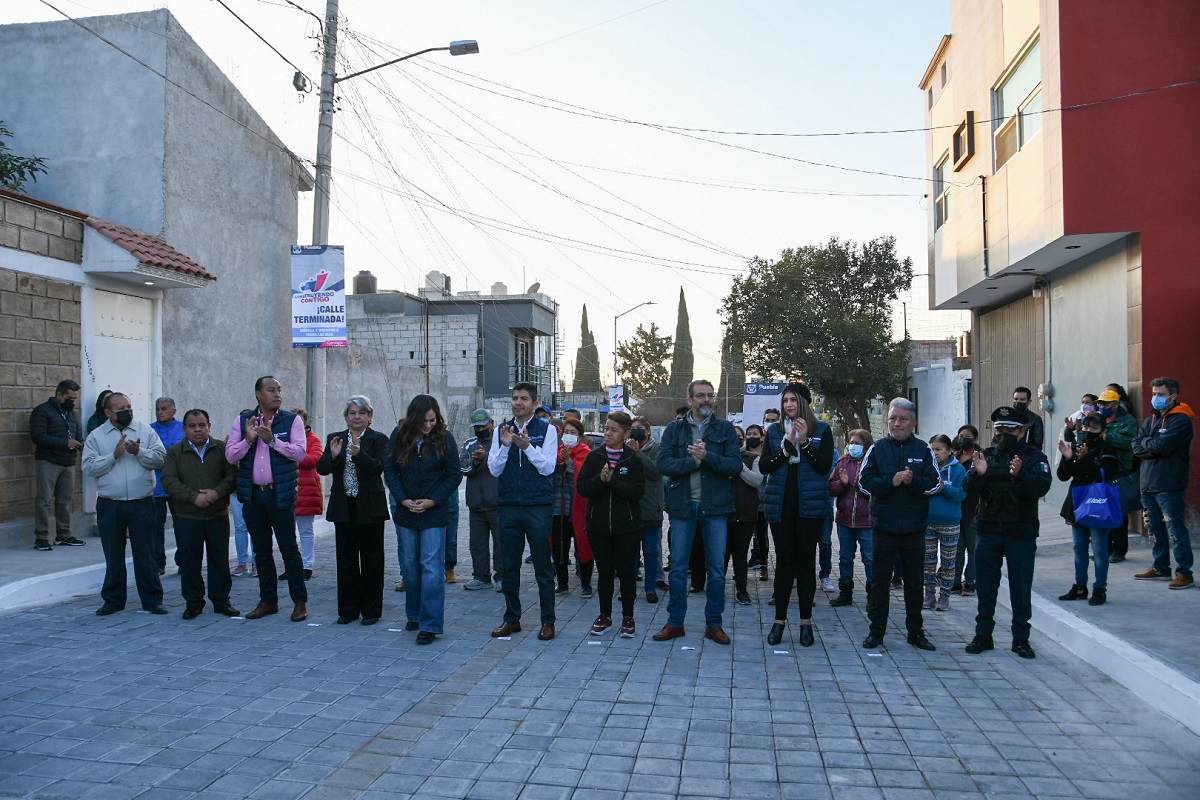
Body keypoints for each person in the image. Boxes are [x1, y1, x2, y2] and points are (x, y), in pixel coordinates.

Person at [654, 379, 742, 645]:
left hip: (715, 508)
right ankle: (675, 623)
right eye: (701, 396)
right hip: (683, 507)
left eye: (710, 396)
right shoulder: (674, 430)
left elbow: (734, 466)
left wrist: (708, 458)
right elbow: (663, 463)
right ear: (690, 400)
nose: (706, 400)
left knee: (716, 569)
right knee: (679, 569)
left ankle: (714, 624)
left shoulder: (725, 429)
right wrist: (692, 461)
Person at [963, 406, 1053, 659]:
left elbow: (1040, 487)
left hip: (1020, 532)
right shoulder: (985, 456)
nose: (1003, 433)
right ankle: (983, 636)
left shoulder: (1035, 458)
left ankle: (1021, 639)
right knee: (987, 587)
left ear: (1022, 432)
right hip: (989, 530)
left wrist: (1020, 475)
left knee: (1020, 589)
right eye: (999, 428)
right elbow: (968, 487)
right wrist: (979, 475)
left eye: (1009, 429)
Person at [859, 398, 942, 652]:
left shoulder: (924, 450)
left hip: (914, 530)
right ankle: (876, 632)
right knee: (879, 583)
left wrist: (913, 480)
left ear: (913, 423)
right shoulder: (877, 449)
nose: (897, 423)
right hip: (883, 528)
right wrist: (890, 482)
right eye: (893, 419)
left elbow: (936, 483)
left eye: (902, 419)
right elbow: (864, 483)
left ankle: (915, 632)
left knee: (915, 584)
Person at [225, 376, 309, 622]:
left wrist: (273, 441)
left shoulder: (291, 420)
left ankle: (299, 602)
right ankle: (268, 601)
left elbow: (300, 453)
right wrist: (249, 439)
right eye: (271, 390)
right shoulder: (242, 421)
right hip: (253, 496)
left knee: (289, 550)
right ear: (258, 394)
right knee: (261, 551)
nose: (277, 394)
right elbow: (230, 456)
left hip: (280, 494)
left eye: (280, 390)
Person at [761, 383, 834, 647]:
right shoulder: (774, 431)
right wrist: (786, 448)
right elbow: (764, 465)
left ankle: (805, 622)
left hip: (810, 509)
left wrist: (805, 442)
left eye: (793, 400)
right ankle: (779, 621)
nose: (788, 405)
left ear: (804, 402)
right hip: (780, 507)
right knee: (783, 564)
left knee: (806, 564)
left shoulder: (822, 430)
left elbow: (824, 467)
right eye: (785, 401)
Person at [81, 393, 167, 615]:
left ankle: (152, 600)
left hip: (142, 502)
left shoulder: (145, 431)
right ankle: (113, 600)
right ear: (108, 412)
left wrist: (139, 452)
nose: (127, 411)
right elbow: (89, 468)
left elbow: (160, 459)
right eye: (120, 408)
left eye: (129, 406)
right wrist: (114, 455)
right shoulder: (97, 436)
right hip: (111, 504)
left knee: (146, 553)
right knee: (113, 553)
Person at [488, 382, 560, 641]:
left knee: (542, 566)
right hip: (508, 506)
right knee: (510, 566)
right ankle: (511, 618)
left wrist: (527, 447)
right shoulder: (500, 430)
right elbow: (494, 470)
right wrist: (507, 445)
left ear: (534, 401)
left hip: (537, 506)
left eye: (524, 399)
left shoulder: (547, 429)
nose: (518, 403)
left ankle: (548, 621)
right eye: (515, 398)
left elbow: (549, 468)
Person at [160, 409, 239, 619]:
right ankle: (193, 602)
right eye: (192, 426)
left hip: (217, 516)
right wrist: (193, 496)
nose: (197, 430)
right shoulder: (175, 452)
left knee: (219, 561)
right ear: (184, 428)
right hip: (188, 517)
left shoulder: (222, 449)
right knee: (189, 562)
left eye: (202, 425)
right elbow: (168, 481)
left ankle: (222, 601)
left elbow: (232, 476)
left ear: (209, 426)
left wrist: (217, 493)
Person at [321, 396, 391, 627]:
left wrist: (359, 454)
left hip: (370, 508)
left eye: (362, 412)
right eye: (352, 413)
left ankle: (371, 610)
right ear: (346, 417)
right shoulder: (336, 438)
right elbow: (322, 468)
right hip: (344, 507)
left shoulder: (378, 440)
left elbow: (378, 468)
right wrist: (332, 455)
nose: (357, 417)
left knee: (372, 561)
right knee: (346, 561)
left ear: (369, 417)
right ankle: (348, 610)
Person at [577, 412, 646, 637]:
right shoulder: (594, 457)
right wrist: (600, 480)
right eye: (606, 428)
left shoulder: (632, 459)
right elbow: (582, 487)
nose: (607, 433)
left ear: (626, 434)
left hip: (627, 528)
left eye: (613, 430)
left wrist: (612, 481)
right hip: (598, 527)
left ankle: (628, 617)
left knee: (626, 573)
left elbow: (637, 492)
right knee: (604, 572)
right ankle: (604, 615)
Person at [1132, 377, 1195, 589]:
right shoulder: (1151, 420)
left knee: (1175, 530)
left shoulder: (1181, 420)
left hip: (1169, 485)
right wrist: (1149, 445)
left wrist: (1147, 444)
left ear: (1173, 396)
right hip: (1148, 483)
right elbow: (1136, 445)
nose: (1155, 398)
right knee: (1154, 529)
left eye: (1160, 394)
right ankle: (1160, 566)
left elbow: (1163, 445)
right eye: (1154, 394)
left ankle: (1184, 572)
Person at [1056, 412, 1120, 606]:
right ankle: (1079, 586)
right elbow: (1063, 476)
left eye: (1094, 428)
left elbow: (1104, 473)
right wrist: (1067, 459)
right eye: (1085, 427)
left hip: (1098, 504)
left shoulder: (1107, 449)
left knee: (1100, 550)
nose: (1088, 431)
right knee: (1079, 548)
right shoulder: (1076, 446)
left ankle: (1100, 588)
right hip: (1077, 503)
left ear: (1102, 431)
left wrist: (1084, 460)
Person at [29, 378, 85, 551]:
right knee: (44, 500)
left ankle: (63, 535)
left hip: (68, 462)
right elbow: (38, 437)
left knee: (65, 501)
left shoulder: (71, 413)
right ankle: (42, 537)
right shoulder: (42, 411)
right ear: (58, 395)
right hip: (48, 461)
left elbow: (77, 432)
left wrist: (80, 442)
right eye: (69, 398)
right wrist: (65, 443)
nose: (72, 401)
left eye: (75, 398)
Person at [827, 428, 874, 607]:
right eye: (852, 442)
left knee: (869, 558)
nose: (853, 446)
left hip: (866, 520)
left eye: (858, 443)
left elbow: (878, 489)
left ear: (866, 445)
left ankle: (873, 594)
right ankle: (845, 592)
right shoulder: (842, 463)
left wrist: (861, 486)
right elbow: (832, 488)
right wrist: (842, 483)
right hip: (845, 519)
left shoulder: (872, 463)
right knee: (845, 557)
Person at [925, 434, 967, 612]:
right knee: (928, 561)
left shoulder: (958, 471)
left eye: (938, 449)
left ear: (950, 450)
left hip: (950, 522)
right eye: (932, 449)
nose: (935, 453)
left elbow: (961, 494)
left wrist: (944, 488)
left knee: (949, 562)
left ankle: (945, 596)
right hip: (927, 522)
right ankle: (929, 595)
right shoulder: (926, 467)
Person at [460, 409, 501, 591]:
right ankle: (481, 577)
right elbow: (462, 468)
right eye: (477, 427)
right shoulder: (469, 444)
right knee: (477, 543)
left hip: (498, 503)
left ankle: (503, 577)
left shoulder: (501, 443)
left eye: (484, 425)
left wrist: (486, 459)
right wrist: (475, 463)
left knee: (501, 543)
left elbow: (502, 466)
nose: (481, 429)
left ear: (491, 423)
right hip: (476, 503)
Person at [1094, 389, 1136, 563]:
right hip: (1099, 469)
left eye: (1106, 404)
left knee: (1118, 513)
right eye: (1100, 404)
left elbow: (1126, 441)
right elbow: (1086, 436)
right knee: (1102, 512)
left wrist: (1106, 435)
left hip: (1118, 470)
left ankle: (1119, 550)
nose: (1102, 407)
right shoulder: (1097, 418)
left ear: (1116, 404)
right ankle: (1105, 549)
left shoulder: (1128, 421)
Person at [553, 417, 594, 596]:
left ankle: (586, 583)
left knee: (582, 545)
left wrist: (570, 463)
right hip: (558, 506)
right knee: (559, 546)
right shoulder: (556, 452)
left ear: (580, 436)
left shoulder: (586, 452)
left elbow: (584, 475)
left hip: (578, 507)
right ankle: (562, 583)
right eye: (566, 432)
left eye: (573, 433)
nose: (568, 436)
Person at [726, 425, 763, 607]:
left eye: (739, 436)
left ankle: (742, 590)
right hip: (723, 514)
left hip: (745, 514)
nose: (736, 439)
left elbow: (756, 480)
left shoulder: (753, 458)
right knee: (720, 555)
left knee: (740, 555)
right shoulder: (720, 457)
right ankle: (716, 590)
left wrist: (737, 465)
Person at [630, 416, 665, 603]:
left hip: (651, 508)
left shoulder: (658, 449)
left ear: (648, 431)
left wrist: (638, 454)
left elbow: (654, 471)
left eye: (640, 428)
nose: (636, 430)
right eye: (633, 428)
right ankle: (629, 588)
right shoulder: (626, 449)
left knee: (650, 552)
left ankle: (650, 588)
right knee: (630, 552)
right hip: (631, 509)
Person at [150, 397, 185, 576]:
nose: (160, 412)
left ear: (173, 410)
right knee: (156, 527)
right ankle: (158, 563)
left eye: (164, 409)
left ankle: (183, 561)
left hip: (178, 486)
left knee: (181, 525)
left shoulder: (182, 429)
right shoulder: (150, 430)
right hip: (156, 487)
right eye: (157, 409)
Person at [288, 408, 323, 582]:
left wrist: (292, 453)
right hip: (288, 490)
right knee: (288, 532)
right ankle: (292, 566)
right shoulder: (285, 438)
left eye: (300, 422)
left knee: (306, 531)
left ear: (305, 422)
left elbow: (313, 460)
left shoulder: (313, 439)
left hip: (306, 490)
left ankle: (307, 566)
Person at [952, 426, 980, 597]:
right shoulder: (954, 458)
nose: (963, 439)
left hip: (974, 509)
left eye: (967, 436)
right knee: (957, 547)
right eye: (961, 436)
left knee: (973, 548)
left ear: (975, 439)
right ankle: (954, 582)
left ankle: (970, 581)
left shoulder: (981, 457)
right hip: (956, 508)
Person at [744, 424, 771, 582]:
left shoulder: (767, 455)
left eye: (755, 434)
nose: (751, 437)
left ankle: (764, 565)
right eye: (749, 434)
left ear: (762, 437)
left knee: (761, 536)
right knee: (745, 536)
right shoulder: (743, 455)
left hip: (762, 503)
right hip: (745, 502)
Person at [1013, 386, 1044, 451]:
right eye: (1016, 399)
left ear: (1029, 402)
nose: (1018, 402)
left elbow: (1038, 445)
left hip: (1026, 457)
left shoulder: (1035, 419)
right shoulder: (1005, 418)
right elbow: (995, 442)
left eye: (1022, 399)